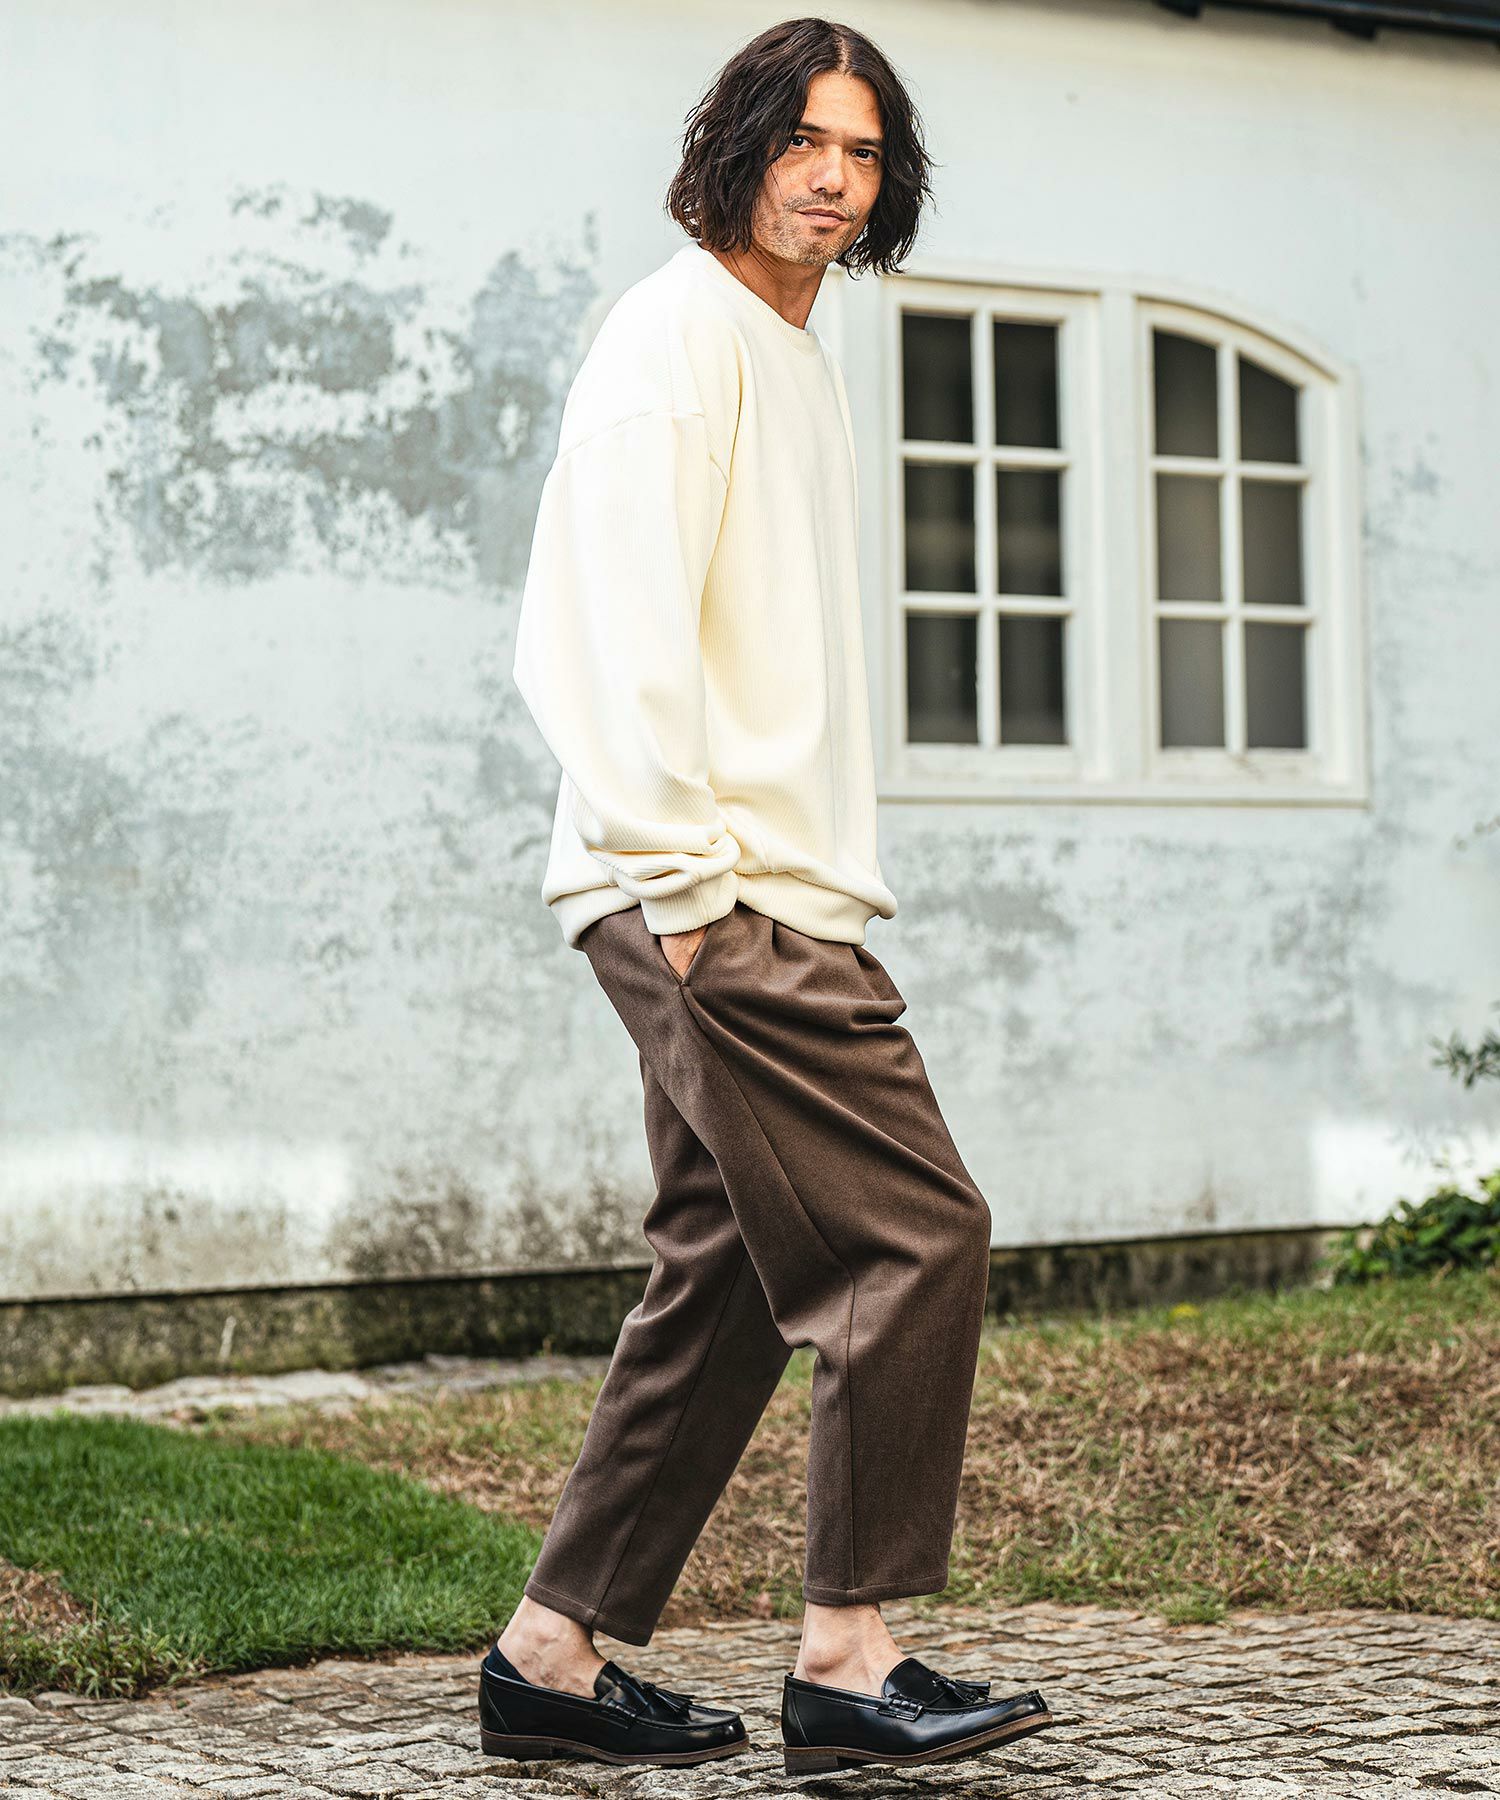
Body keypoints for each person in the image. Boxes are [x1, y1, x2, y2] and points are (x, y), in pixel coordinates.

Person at [480, 14, 1055, 1776]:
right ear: (735, 148)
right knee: (918, 1230)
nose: (833, 178)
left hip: (747, 880)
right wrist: (689, 890)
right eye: (804, 140)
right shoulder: (674, 340)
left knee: (729, 1266)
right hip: (710, 891)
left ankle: (548, 1657)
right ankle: (850, 1654)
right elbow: (600, 627)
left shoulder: (788, 353)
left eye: (864, 152)